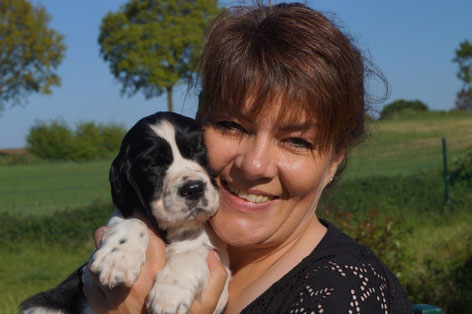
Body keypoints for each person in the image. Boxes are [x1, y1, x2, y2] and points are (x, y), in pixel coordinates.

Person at [84, 2, 413, 313]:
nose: (254, 165)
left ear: (334, 161)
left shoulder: (341, 294)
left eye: (296, 141)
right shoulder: (147, 244)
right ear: (200, 118)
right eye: (231, 125)